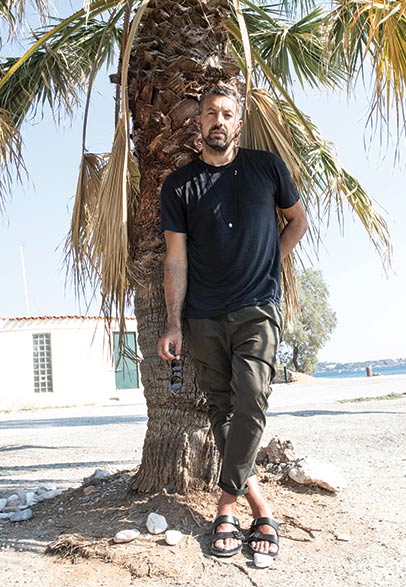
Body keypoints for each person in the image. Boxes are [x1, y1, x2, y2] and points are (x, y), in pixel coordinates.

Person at [156, 84, 308, 566]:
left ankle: (225, 505)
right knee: (222, 408)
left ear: (238, 125)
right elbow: (175, 259)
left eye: (226, 113)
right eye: (210, 113)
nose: (218, 120)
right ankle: (259, 508)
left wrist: (270, 263)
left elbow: (298, 222)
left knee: (253, 397)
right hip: (203, 316)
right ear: (198, 123)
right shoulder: (179, 185)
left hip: (257, 308)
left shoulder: (267, 168)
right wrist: (173, 323)